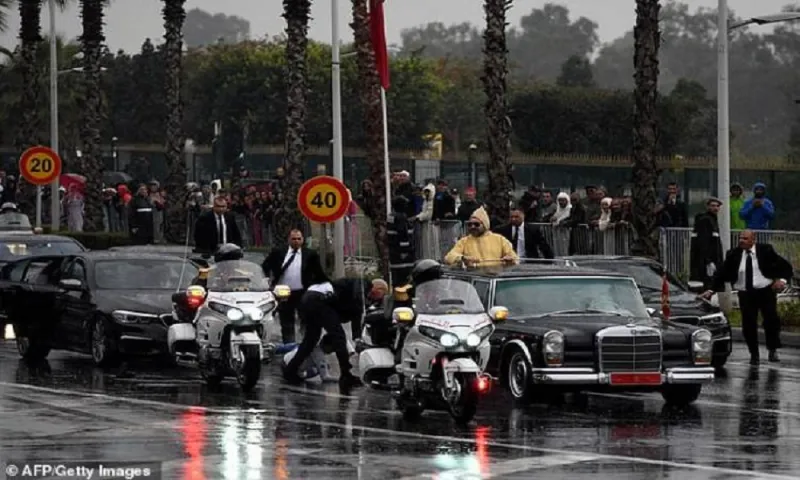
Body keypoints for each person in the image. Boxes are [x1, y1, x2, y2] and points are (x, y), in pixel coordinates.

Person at [701, 230, 793, 364]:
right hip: (745, 293)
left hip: (765, 291)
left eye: (745, 238)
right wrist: (711, 290)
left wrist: (782, 280)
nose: (741, 241)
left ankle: (772, 349)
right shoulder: (734, 254)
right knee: (748, 324)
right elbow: (722, 273)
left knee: (771, 320)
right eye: (740, 238)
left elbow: (785, 266)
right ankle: (754, 354)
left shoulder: (765, 250)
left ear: (753, 240)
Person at [283, 268, 363, 389]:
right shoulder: (357, 288)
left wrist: (357, 337)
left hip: (308, 300)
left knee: (310, 340)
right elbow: (353, 310)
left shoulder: (355, 294)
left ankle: (290, 370)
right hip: (318, 300)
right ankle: (346, 375)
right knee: (339, 337)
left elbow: (356, 316)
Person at [262, 229, 325, 344]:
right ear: (288, 240)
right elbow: (265, 266)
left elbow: (318, 272)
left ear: (303, 240)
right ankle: (289, 346)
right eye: (293, 239)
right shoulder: (279, 252)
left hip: (303, 292)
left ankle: (306, 344)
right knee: (286, 321)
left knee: (306, 318)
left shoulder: (310, 254)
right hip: (283, 292)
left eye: (299, 239)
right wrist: (267, 281)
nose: (296, 241)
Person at [444, 207, 518, 267]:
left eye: (476, 224)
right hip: (473, 278)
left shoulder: (499, 239)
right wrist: (462, 258)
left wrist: (510, 260)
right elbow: (449, 257)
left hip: (495, 277)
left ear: (485, 225)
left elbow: (515, 258)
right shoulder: (464, 241)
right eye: (470, 224)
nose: (472, 227)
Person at [690, 198, 724, 290]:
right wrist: (708, 261)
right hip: (707, 261)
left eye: (717, 206)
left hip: (712, 260)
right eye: (713, 206)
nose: (715, 208)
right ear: (708, 206)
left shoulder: (713, 220)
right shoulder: (706, 220)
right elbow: (704, 242)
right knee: (708, 285)